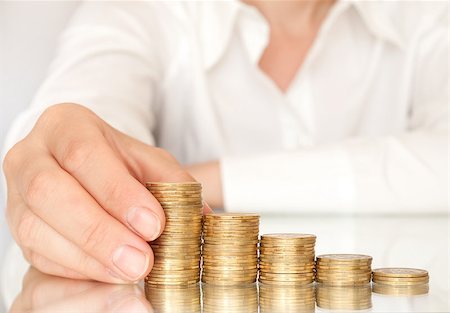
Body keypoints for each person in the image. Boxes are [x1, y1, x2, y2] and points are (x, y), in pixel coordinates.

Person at [1, 1, 448, 284]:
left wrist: (196, 183)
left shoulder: (430, 16)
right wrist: (66, 148)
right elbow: (90, 107)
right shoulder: (134, 14)